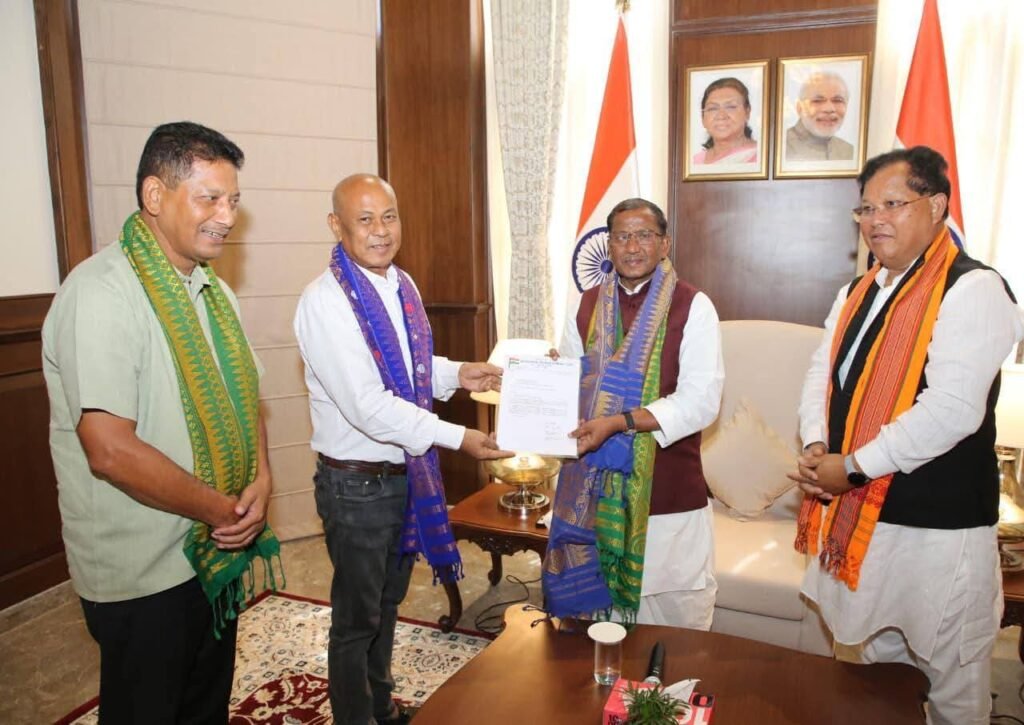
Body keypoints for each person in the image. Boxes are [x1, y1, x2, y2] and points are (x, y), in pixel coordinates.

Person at [42, 121, 281, 724]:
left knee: (204, 708)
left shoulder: (214, 292)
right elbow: (109, 450)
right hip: (144, 571)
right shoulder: (101, 293)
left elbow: (247, 398)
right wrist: (221, 510)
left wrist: (262, 479)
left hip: (211, 555)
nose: (227, 217)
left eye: (234, 201)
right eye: (210, 198)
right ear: (155, 195)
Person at [789, 146, 1024, 725]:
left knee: (952, 690)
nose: (876, 220)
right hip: (862, 523)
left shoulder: (974, 289)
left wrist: (852, 467)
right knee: (872, 683)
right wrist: (817, 444)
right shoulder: (856, 291)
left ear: (936, 206)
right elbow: (822, 373)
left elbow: (951, 411)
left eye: (892, 204)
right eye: (866, 209)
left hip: (937, 533)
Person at [293, 173, 512, 725]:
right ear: (336, 225)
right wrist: (459, 437)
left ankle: (381, 705)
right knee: (356, 620)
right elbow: (369, 404)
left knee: (387, 604)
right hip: (356, 487)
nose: (380, 230)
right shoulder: (326, 302)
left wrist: (459, 373)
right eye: (364, 219)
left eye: (389, 216)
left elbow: (410, 368)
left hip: (402, 476)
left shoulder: (401, 283)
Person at [542, 198, 724, 629]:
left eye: (644, 235)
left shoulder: (693, 305)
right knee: (597, 630)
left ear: (665, 243)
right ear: (609, 244)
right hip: (593, 492)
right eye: (622, 236)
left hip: (668, 491)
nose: (633, 246)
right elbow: (572, 384)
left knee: (675, 627)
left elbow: (701, 400)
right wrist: (553, 381)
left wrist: (620, 422)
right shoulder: (585, 304)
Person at [785, 71, 854, 161]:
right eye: (817, 101)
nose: (829, 109)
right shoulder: (780, 146)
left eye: (837, 100)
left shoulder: (849, 152)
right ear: (799, 108)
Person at [692, 77, 758, 165]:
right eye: (713, 108)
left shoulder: (763, 156)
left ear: (747, 112)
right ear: (703, 118)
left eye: (731, 107)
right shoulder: (693, 163)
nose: (721, 116)